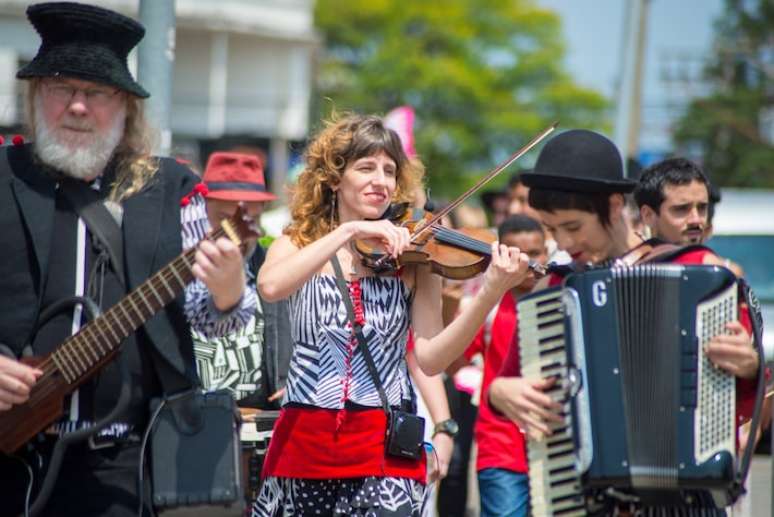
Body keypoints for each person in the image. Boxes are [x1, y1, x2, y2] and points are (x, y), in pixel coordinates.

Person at [0, 3, 255, 516]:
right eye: (61, 88)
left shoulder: (170, 188)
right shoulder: (2, 174)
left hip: (123, 465)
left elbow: (217, 322)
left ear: (125, 106)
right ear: (35, 95)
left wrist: (229, 290)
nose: (77, 106)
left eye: (96, 93)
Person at [253, 113, 531, 516]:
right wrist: (347, 233)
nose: (380, 181)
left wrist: (492, 291)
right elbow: (271, 286)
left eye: (388, 170)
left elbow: (432, 357)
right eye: (365, 168)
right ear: (334, 179)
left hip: (383, 450)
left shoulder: (415, 260)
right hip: (302, 445)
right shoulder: (297, 243)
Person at [487, 129, 761, 514]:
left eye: (573, 227)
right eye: (552, 230)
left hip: (685, 499)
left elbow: (751, 394)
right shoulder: (557, 288)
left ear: (615, 207)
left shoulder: (698, 272)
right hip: (586, 497)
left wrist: (749, 365)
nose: (562, 243)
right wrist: (501, 392)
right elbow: (507, 378)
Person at [192, 151, 291, 409]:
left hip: (261, 422)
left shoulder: (274, 268)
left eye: (250, 220)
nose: (238, 231)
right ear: (202, 210)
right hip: (189, 421)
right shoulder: (178, 268)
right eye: (225, 219)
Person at [464, 214, 547, 517]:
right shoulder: (487, 305)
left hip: (552, 447)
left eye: (535, 253)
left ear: (547, 252)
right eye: (515, 253)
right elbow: (452, 362)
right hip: (500, 449)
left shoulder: (565, 295)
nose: (526, 262)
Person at [634, 157, 711, 246]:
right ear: (648, 215)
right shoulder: (632, 259)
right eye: (682, 209)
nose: (695, 220)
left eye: (702, 208)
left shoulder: (711, 259)